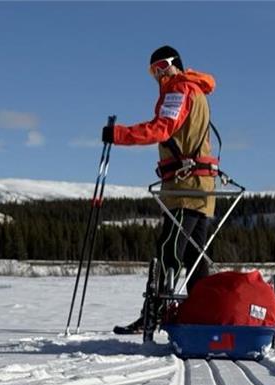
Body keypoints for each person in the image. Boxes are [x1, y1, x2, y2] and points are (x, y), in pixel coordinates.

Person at [104, 46, 219, 335]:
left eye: (162, 67)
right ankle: (201, 317)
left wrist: (119, 135)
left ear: (175, 65)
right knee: (195, 259)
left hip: (185, 188)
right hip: (202, 189)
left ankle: (153, 315)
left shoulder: (179, 90)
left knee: (169, 251)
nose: (158, 74)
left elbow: (162, 129)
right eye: (153, 70)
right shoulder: (197, 91)